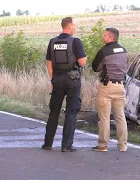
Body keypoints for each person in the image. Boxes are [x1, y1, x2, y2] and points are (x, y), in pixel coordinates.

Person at [42, 17, 87, 152]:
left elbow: (49, 63)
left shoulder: (52, 42)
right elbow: (83, 62)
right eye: (75, 26)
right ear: (69, 26)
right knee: (71, 112)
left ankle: (48, 143)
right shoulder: (75, 41)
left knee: (54, 111)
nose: (75, 28)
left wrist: (52, 79)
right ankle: (66, 146)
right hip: (72, 80)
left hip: (57, 79)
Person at [91, 28, 128, 152]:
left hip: (107, 87)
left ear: (111, 37)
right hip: (120, 87)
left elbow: (95, 67)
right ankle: (123, 146)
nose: (103, 36)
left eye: (105, 35)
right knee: (120, 117)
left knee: (104, 117)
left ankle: (103, 145)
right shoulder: (124, 50)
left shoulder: (104, 51)